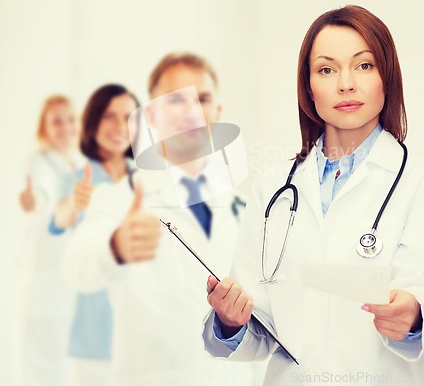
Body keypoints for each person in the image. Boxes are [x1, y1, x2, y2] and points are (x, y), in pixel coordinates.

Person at [203, 6, 424, 386]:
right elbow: (260, 329)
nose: (345, 83)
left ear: (386, 76)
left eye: (364, 65)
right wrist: (230, 320)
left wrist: (413, 315)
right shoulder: (271, 190)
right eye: (326, 69)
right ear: (309, 87)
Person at [62, 53, 263, 386]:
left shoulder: (244, 206)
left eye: (203, 99)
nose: (192, 111)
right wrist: (114, 248)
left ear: (217, 113)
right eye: (176, 101)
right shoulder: (119, 197)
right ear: (151, 116)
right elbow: (75, 267)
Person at [49, 84, 139, 386]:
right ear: (93, 122)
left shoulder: (147, 181)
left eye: (127, 118)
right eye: (108, 117)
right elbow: (59, 218)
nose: (118, 127)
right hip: (94, 337)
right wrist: (73, 205)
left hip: (142, 330)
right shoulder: (78, 180)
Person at [16, 94, 83, 386]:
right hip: (45, 272)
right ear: (44, 127)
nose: (65, 127)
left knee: (61, 358)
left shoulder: (79, 163)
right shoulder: (40, 160)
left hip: (68, 273)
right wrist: (33, 200)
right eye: (56, 121)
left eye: (70, 119)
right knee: (40, 355)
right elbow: (40, 195)